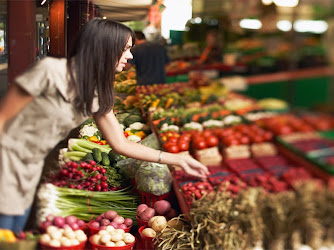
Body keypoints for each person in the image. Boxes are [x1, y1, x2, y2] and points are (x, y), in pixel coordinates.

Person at [0, 19, 208, 233]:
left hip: (30, 169)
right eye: (126, 49)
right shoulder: (50, 71)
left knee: (13, 233)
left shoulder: (96, 91)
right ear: (106, 48)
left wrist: (179, 159)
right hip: (5, 162)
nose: (130, 56)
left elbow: (121, 144)